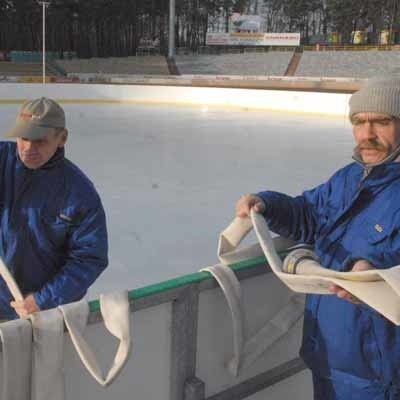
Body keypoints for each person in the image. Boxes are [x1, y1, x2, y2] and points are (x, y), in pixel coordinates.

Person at [236, 78, 400, 399]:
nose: (367, 134)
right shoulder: (349, 178)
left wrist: (376, 274)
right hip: (326, 357)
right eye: (358, 122)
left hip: (379, 373)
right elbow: (309, 215)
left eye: (381, 121)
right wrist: (267, 204)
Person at [0, 97, 108, 319]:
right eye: (24, 138)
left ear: (62, 138)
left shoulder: (79, 194)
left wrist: (43, 300)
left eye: (40, 141)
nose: (28, 148)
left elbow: (89, 258)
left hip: (40, 315)